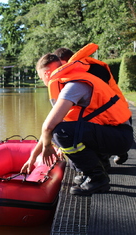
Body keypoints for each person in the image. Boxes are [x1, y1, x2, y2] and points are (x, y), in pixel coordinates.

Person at [21, 53, 133, 196]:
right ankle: (99, 167)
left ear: (47, 73)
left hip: (118, 137)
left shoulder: (74, 85)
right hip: (116, 133)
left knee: (61, 133)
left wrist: (47, 146)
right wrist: (33, 156)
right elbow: (51, 125)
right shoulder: (76, 79)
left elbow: (49, 127)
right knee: (65, 137)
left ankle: (97, 178)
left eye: (41, 77)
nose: (43, 81)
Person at [54, 44, 130, 167]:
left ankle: (108, 158)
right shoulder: (87, 70)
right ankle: (113, 153)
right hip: (117, 115)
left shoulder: (86, 76)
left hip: (115, 118)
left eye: (61, 66)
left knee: (79, 131)